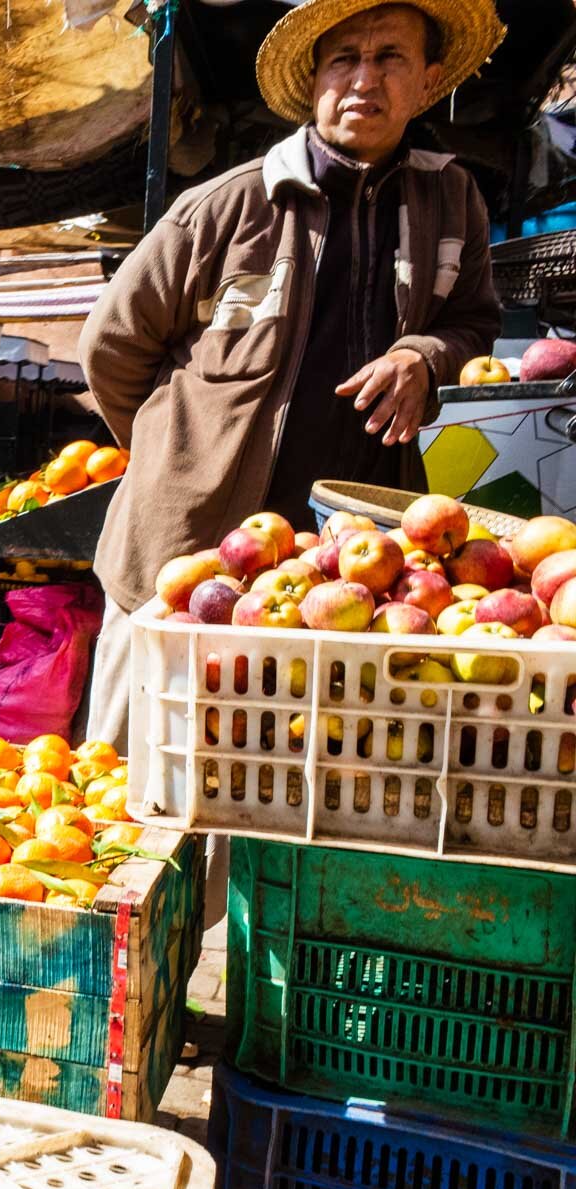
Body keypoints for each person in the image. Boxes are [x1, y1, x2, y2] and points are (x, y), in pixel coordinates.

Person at [81, 0, 503, 751]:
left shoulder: (452, 200)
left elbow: (472, 322)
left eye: (390, 58)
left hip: (353, 569)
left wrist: (423, 356)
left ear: (429, 81)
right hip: (192, 555)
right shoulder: (225, 206)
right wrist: (177, 452)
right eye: (344, 58)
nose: (363, 80)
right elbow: (112, 347)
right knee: (140, 775)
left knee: (300, 778)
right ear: (314, 80)